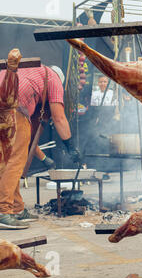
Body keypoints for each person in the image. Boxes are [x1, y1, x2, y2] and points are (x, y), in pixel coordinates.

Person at [0, 64, 81, 230]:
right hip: (13, 107)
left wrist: (44, 157)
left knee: (6, 159)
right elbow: (59, 118)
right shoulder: (53, 78)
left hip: (5, 103)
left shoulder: (30, 71)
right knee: (15, 162)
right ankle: (3, 211)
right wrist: (70, 146)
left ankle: (16, 208)